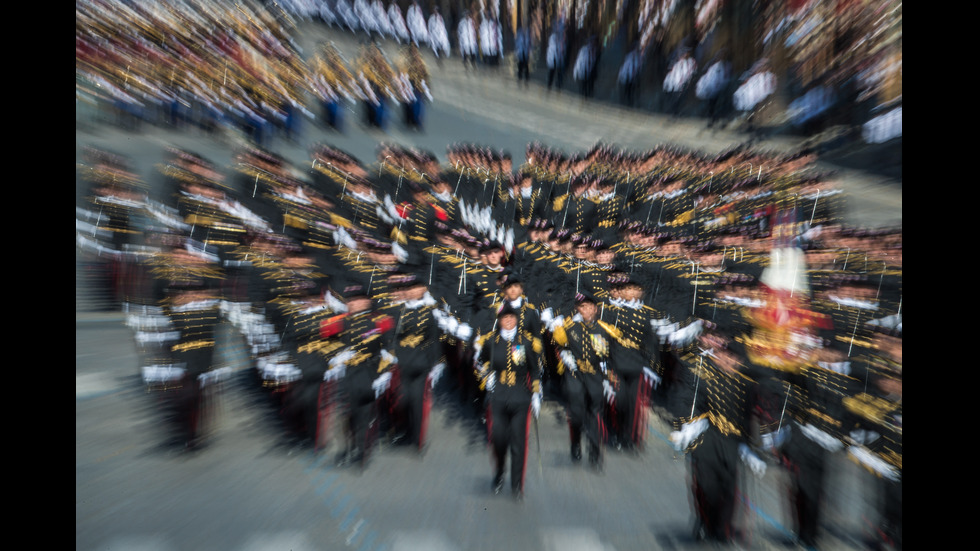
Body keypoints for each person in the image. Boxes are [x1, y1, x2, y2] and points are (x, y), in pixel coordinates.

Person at [322, 283, 398, 468]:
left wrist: (384, 373)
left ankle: (362, 453)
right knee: (346, 415)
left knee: (364, 414)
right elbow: (326, 344)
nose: (354, 304)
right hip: (346, 374)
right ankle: (348, 448)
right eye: (351, 301)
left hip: (369, 372)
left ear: (367, 301)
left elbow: (390, 349)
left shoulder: (381, 321)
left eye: (358, 300)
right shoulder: (339, 321)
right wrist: (335, 356)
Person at [474, 304, 543, 499]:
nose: (509, 321)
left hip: (521, 396)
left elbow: (535, 369)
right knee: (499, 439)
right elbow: (480, 362)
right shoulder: (490, 341)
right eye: (505, 318)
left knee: (518, 443)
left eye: (512, 318)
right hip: (498, 396)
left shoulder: (526, 342)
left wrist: (536, 393)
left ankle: (517, 484)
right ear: (499, 320)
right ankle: (499, 472)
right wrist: (486, 375)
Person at [550, 291, 618, 471]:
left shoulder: (605, 329)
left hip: (595, 376)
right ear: (577, 309)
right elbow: (560, 346)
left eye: (589, 307)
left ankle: (595, 453)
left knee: (595, 415)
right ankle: (576, 443)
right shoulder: (569, 327)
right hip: (575, 376)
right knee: (577, 414)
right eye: (582, 307)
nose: (586, 310)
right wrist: (566, 356)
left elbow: (611, 355)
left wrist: (609, 377)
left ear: (595, 309)